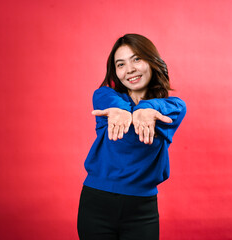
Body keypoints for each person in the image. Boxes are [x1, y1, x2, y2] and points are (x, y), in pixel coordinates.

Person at [77, 33, 186, 240]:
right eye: (121, 64)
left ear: (152, 61)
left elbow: (176, 106)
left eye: (137, 59)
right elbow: (106, 97)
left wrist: (146, 108)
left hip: (142, 210)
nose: (130, 70)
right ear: (115, 72)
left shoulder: (170, 108)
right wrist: (121, 111)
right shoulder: (105, 98)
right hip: (96, 204)